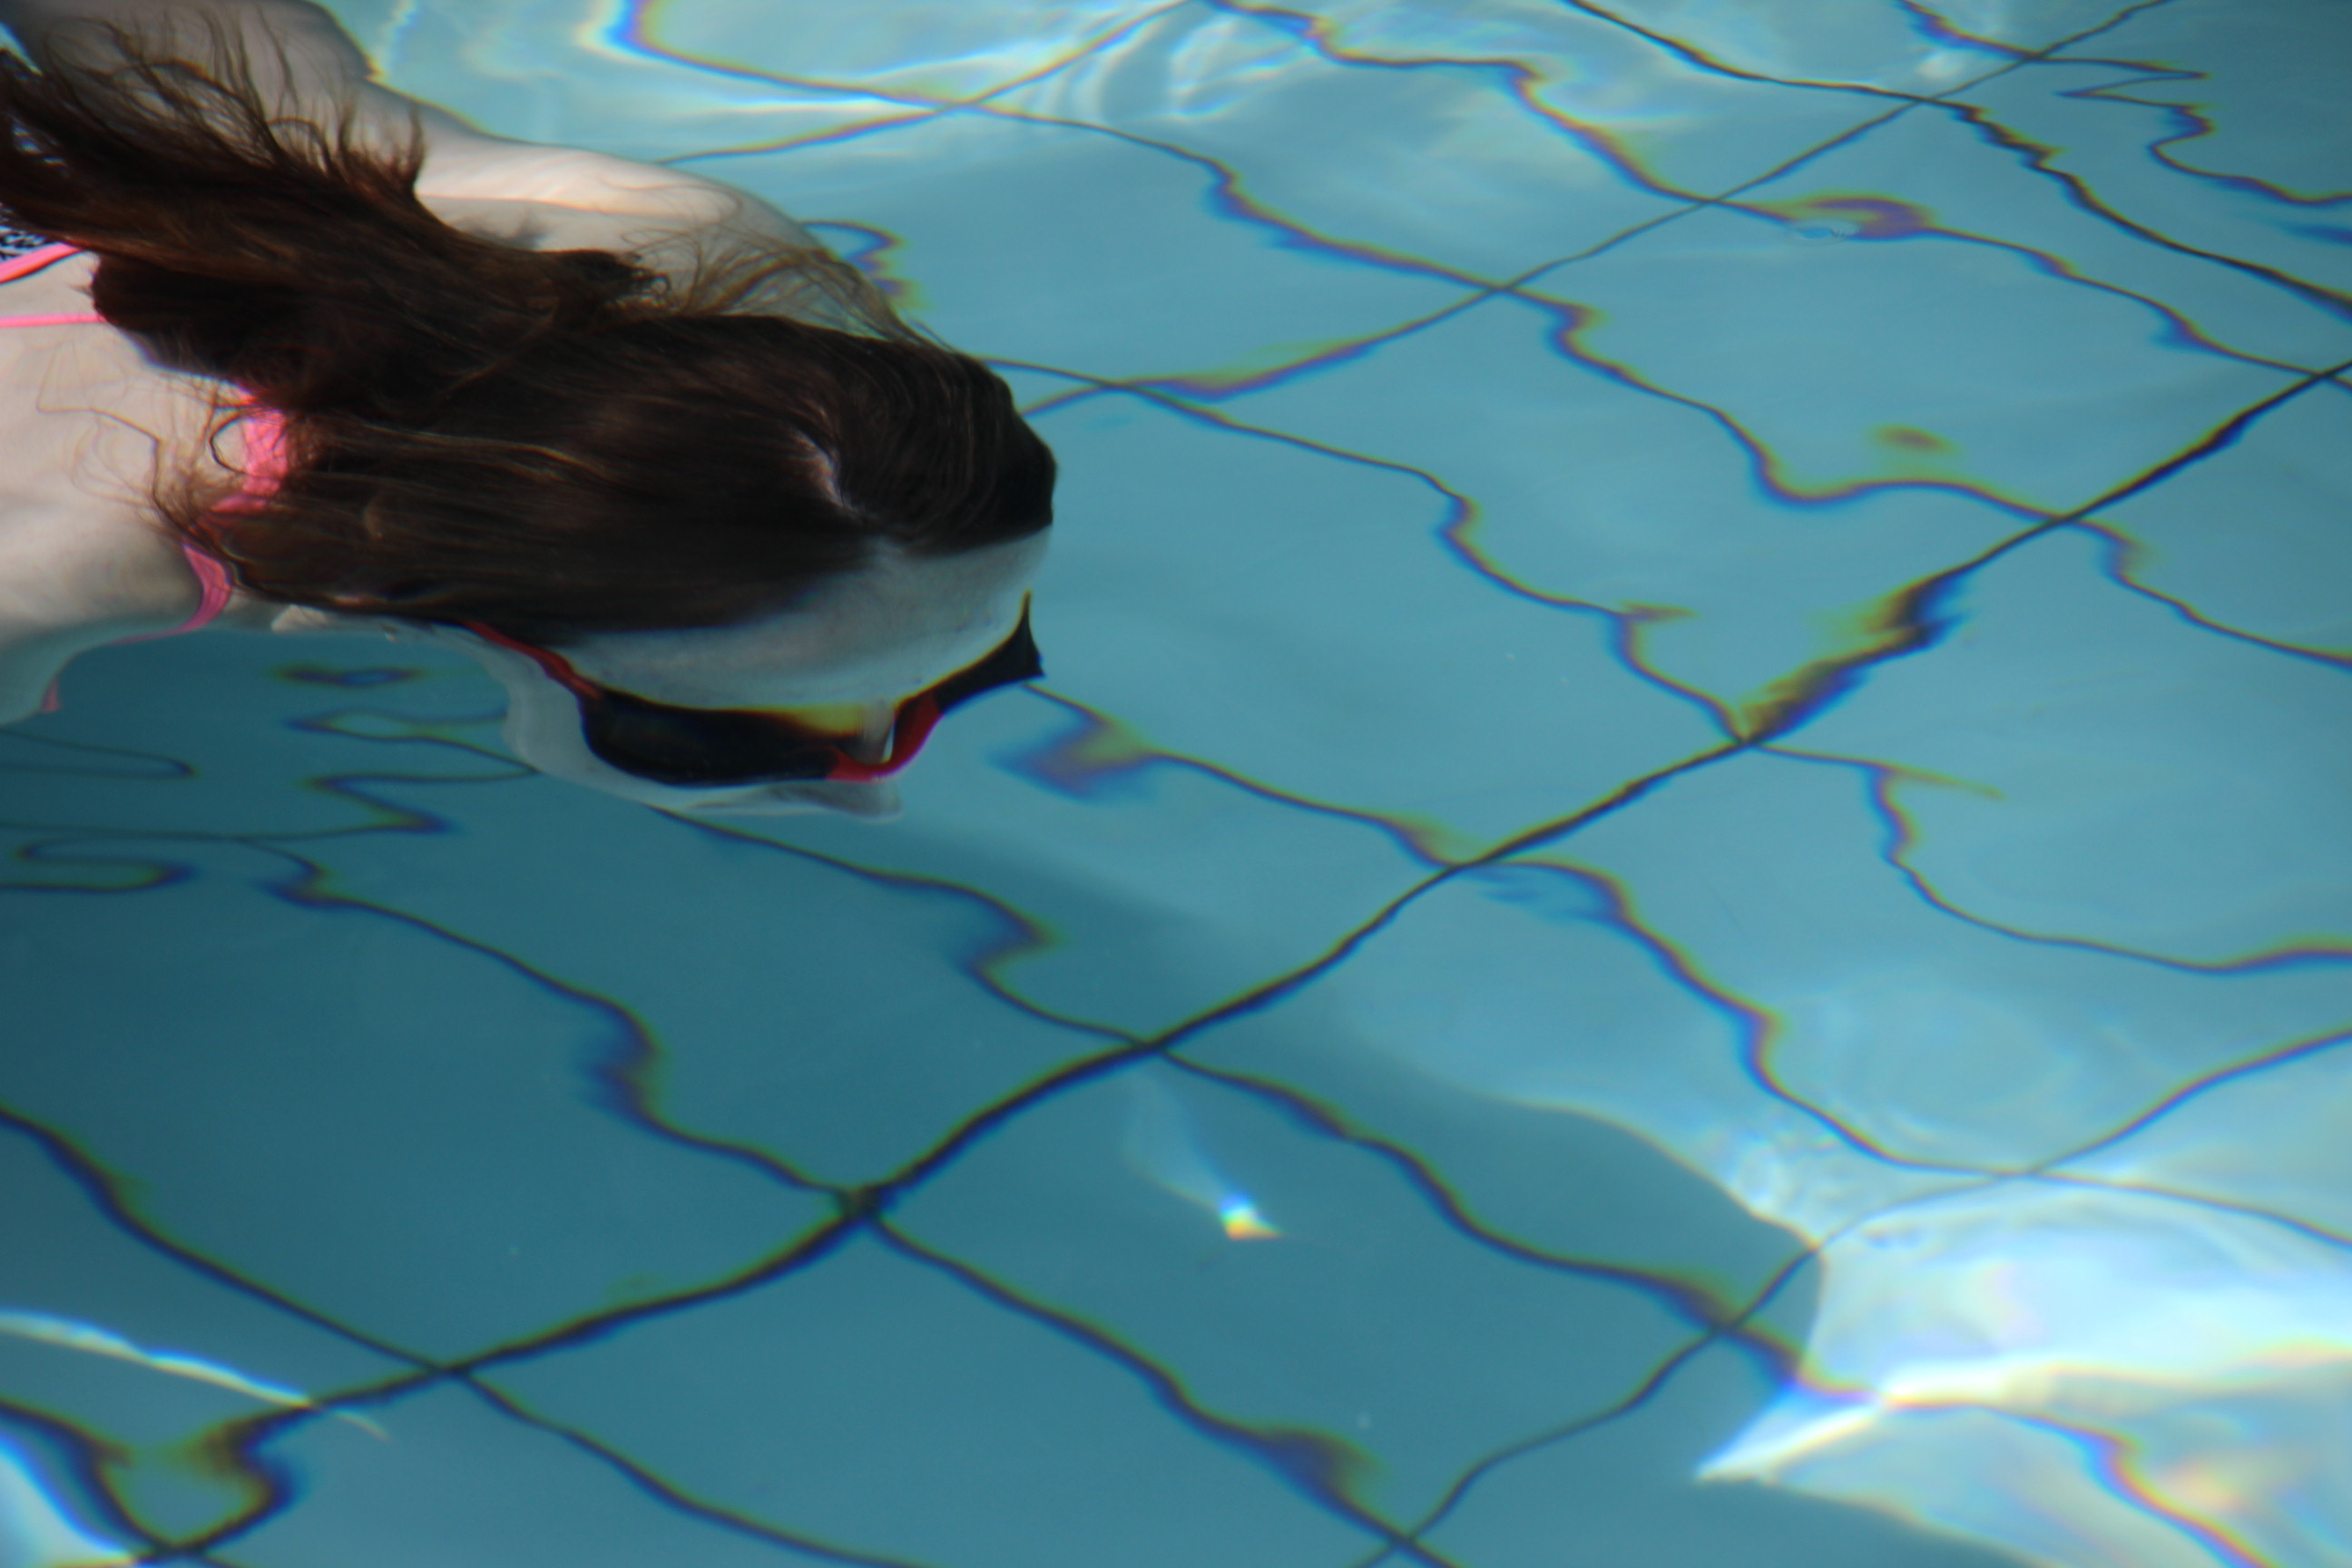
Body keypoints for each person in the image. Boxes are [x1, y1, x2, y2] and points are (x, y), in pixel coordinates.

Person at [0, 0, 1055, 817]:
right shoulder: (49, 569)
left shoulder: (671, 237)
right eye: (730, 739)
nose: (874, 804)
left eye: (982, 668)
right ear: (507, 629)